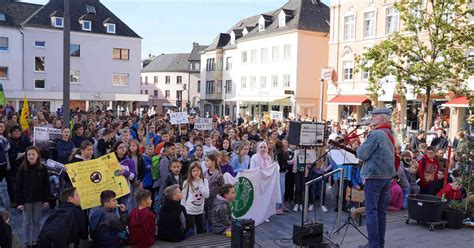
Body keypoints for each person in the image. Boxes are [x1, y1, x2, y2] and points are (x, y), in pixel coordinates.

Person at [356, 108, 396, 248]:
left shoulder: (376, 134)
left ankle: (373, 245)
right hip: (386, 176)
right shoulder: (389, 133)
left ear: (382, 118)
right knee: (381, 212)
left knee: (371, 212)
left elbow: (362, 154)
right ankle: (379, 243)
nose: (372, 118)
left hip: (374, 176)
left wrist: (358, 147)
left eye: (375, 116)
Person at [15, 146, 50, 248]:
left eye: (33, 154)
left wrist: (46, 199)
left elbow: (46, 185)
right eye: (29, 154)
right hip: (26, 201)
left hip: (38, 200)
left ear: (37, 155)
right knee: (26, 222)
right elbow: (18, 187)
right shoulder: (22, 169)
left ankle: (35, 241)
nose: (31, 156)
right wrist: (19, 202)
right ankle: (26, 243)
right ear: (26, 156)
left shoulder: (42, 168)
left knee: (36, 222)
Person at [181, 161, 210, 235]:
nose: (196, 172)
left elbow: (206, 195)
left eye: (198, 170)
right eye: (193, 171)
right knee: (190, 229)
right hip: (190, 210)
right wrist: (184, 209)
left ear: (201, 171)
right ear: (190, 172)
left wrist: (200, 183)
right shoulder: (187, 182)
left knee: (200, 229)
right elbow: (183, 197)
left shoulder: (204, 181)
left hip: (200, 210)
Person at [7, 125, 32, 208]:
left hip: (25, 165)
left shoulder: (25, 139)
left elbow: (30, 148)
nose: (18, 132)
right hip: (12, 167)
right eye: (15, 131)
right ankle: (14, 201)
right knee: (12, 185)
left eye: (19, 131)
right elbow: (11, 156)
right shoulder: (8, 142)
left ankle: (23, 201)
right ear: (10, 134)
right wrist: (24, 153)